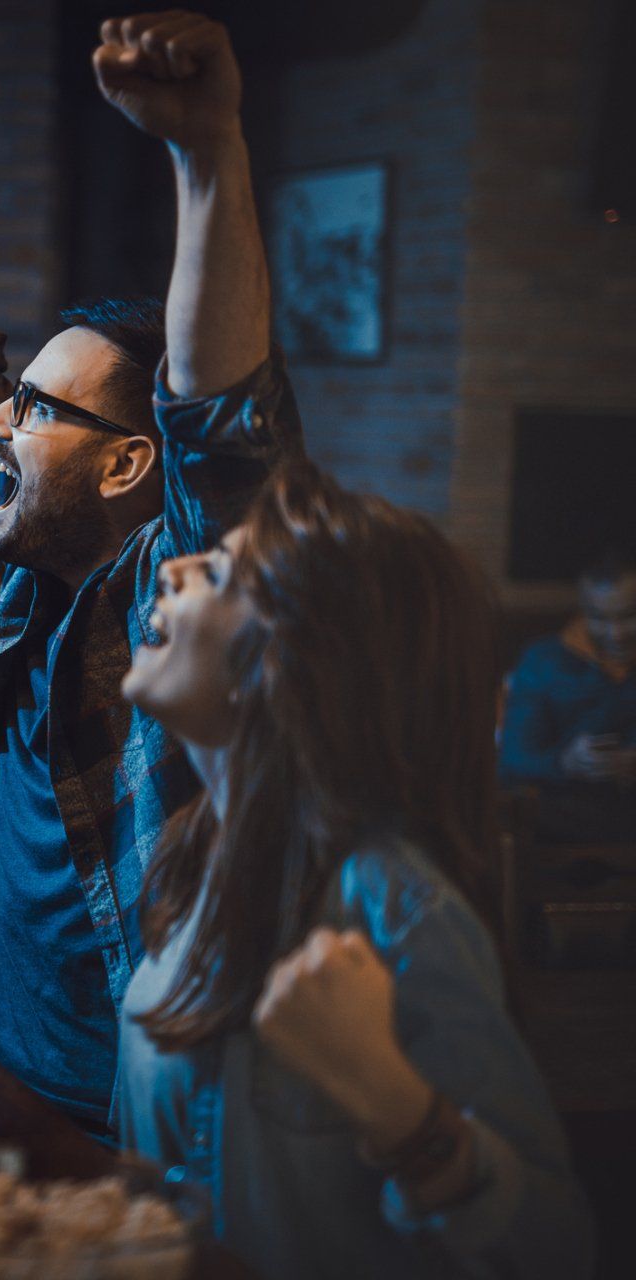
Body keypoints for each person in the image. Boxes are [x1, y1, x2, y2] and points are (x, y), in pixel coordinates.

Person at [0, 11, 299, 1132]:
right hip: (3, 1069)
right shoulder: (40, 574)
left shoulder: (181, 591)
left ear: (130, 460)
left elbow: (221, 423)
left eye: (33, 408)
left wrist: (205, 149)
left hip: (135, 1111)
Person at [116, 462, 593, 1278]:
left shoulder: (391, 901)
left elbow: (560, 1252)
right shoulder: (191, 861)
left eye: (221, 573)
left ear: (294, 661)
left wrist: (398, 1109)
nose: (172, 567)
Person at [499, 547, 636, 842]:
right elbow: (513, 758)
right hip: (559, 820)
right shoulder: (544, 662)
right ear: (583, 614)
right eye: (600, 618)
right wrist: (566, 763)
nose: (616, 634)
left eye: (628, 616)